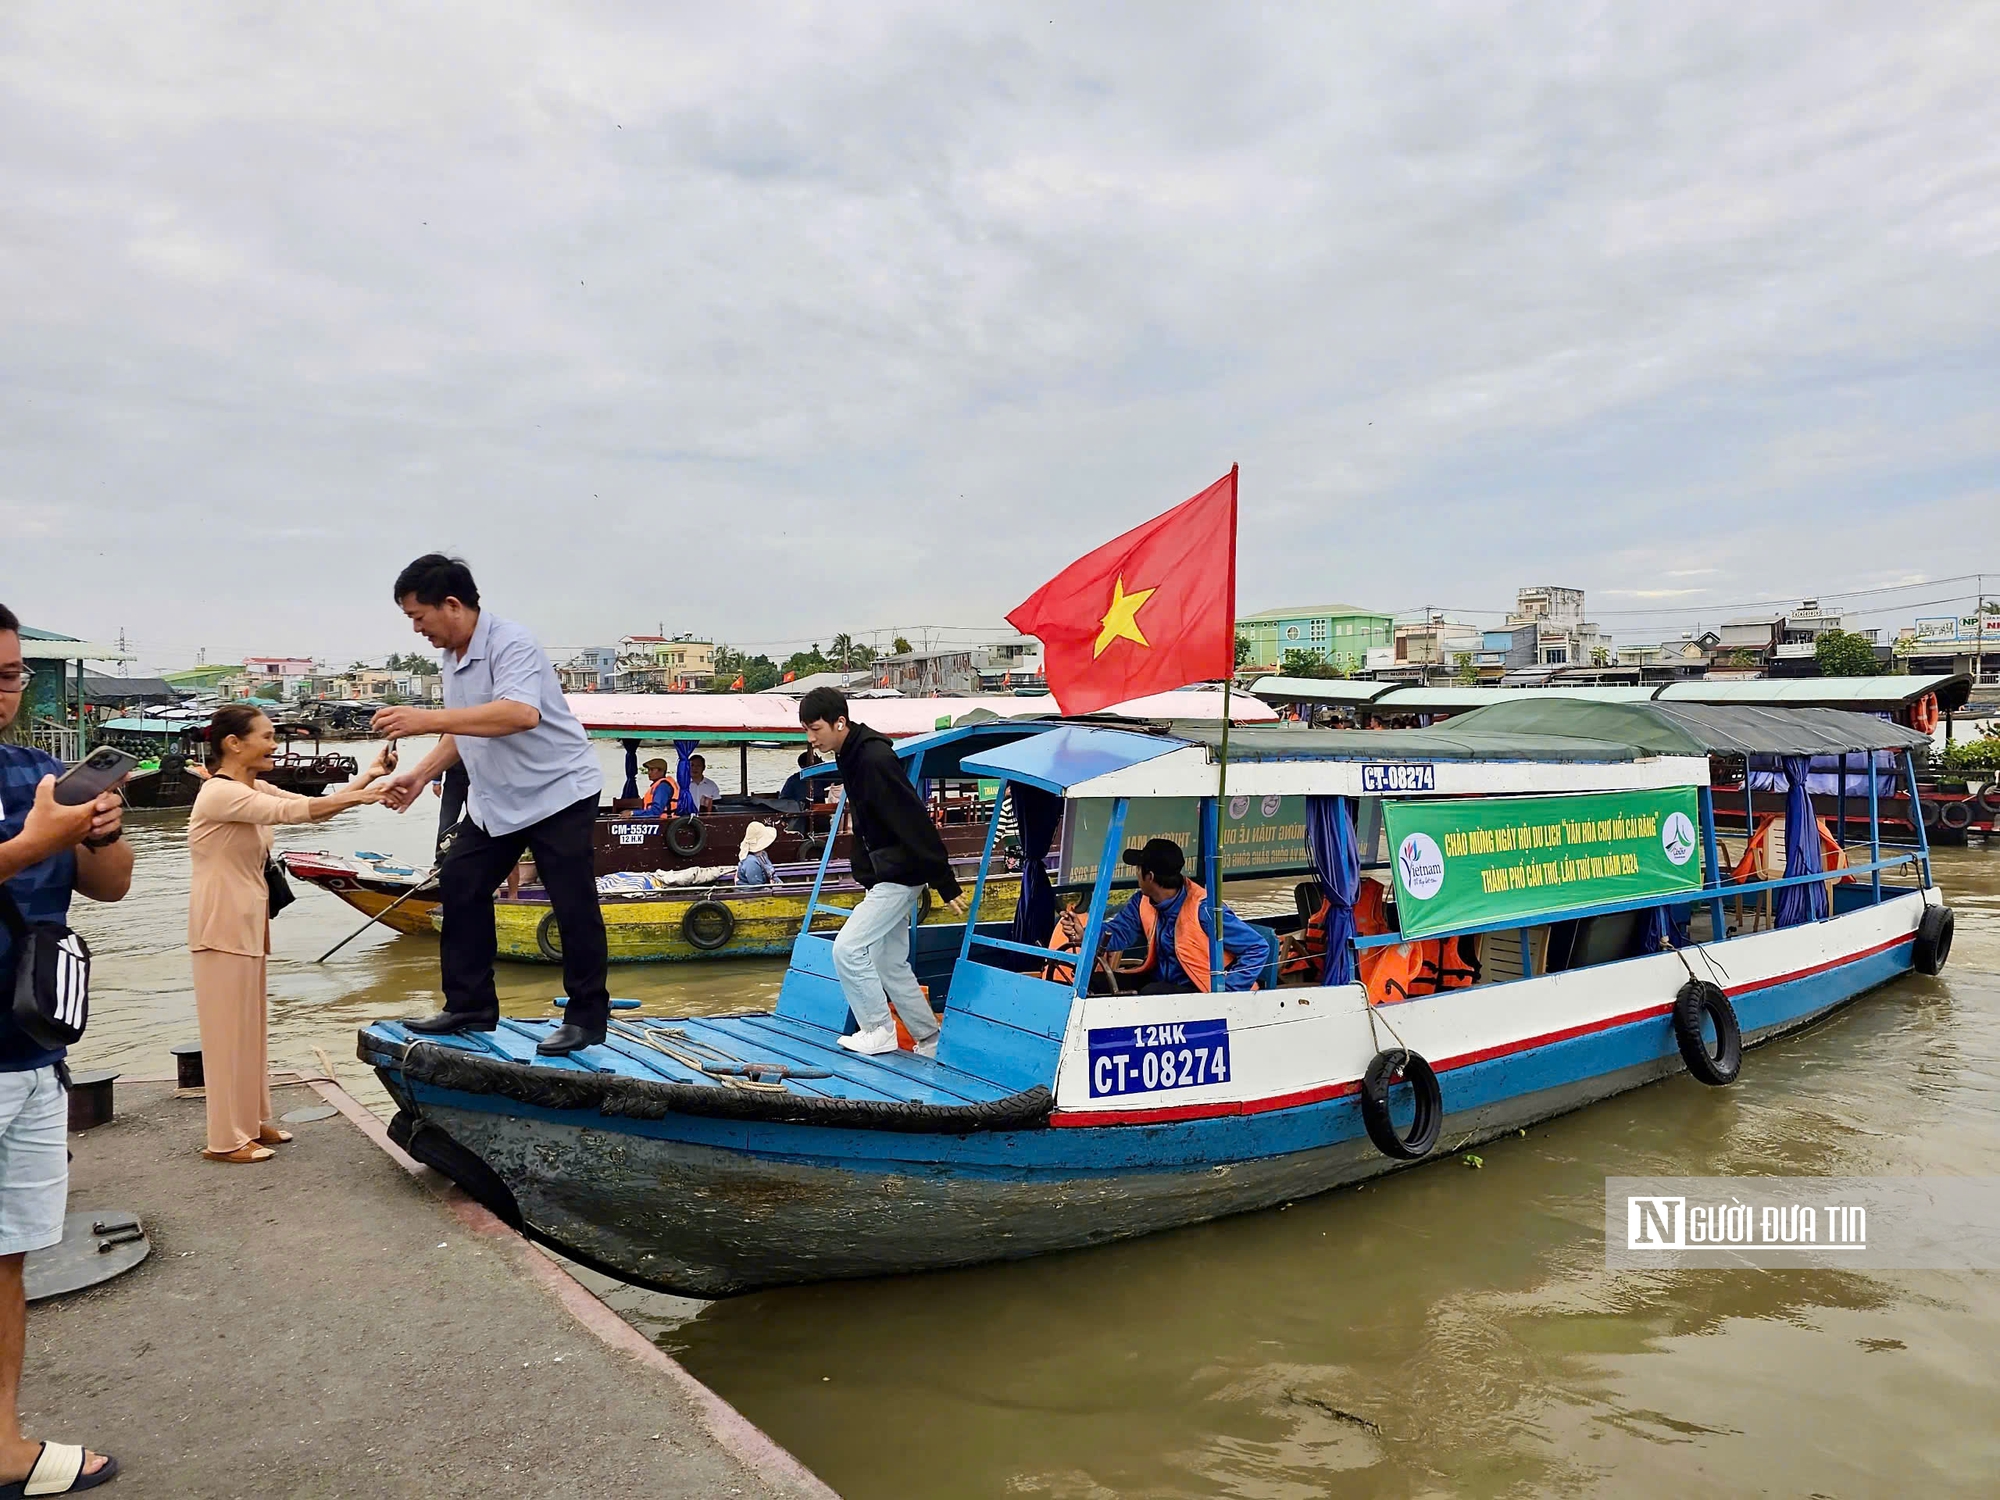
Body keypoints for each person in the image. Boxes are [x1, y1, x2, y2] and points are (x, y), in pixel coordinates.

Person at [370, 555, 610, 1057]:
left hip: (558, 790)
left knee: (571, 901)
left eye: (419, 616)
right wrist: (419, 773)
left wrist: (423, 718)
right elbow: (463, 728)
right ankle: (470, 1004)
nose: (417, 629)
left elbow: (519, 713)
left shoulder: (511, 642)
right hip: (498, 799)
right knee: (460, 882)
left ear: (452, 605)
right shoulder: (453, 656)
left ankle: (587, 1017)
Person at [0, 603, 129, 1495]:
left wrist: (102, 832)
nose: (3, 693)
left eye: (9, 676)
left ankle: (1, 1440)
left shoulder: (43, 770)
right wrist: (28, 845)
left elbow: (111, 889)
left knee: (7, 1253)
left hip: (32, 1049)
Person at [187, 706, 391, 1163]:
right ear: (234, 744)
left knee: (250, 1028)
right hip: (220, 921)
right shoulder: (219, 794)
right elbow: (292, 812)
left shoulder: (249, 787)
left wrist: (369, 778)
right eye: (266, 736)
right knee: (225, 1034)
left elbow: (309, 810)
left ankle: (252, 1120)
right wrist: (365, 797)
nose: (275, 744)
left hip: (249, 918)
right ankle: (224, 1139)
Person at [798, 687, 960, 1056]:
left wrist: (945, 882)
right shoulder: (851, 755)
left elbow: (914, 819)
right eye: (806, 730)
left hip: (900, 873)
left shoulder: (873, 759)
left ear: (840, 722)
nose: (811, 739)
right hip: (887, 871)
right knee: (889, 962)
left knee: (848, 948)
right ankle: (930, 1039)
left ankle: (878, 1028)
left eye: (815, 729)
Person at [1097, 838, 1268, 994]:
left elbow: (1257, 947)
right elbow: (1119, 933)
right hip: (1162, 980)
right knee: (1097, 983)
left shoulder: (1204, 908)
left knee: (1152, 992)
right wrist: (1085, 935)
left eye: (1138, 869)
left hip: (1201, 989)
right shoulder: (1141, 901)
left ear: (1150, 877)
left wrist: (1228, 991)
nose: (1136, 873)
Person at [735, 822, 779, 886]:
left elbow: (770, 871)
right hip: (751, 891)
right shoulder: (750, 862)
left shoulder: (763, 854)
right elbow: (757, 885)